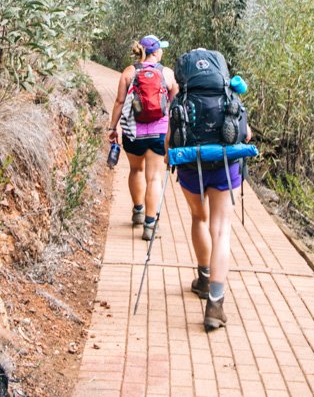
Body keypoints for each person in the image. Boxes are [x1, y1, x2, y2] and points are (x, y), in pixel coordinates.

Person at [171, 79, 253, 332]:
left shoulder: (182, 97)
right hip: (224, 170)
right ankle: (215, 305)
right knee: (221, 230)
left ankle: (204, 278)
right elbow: (245, 134)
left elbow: (169, 138)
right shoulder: (229, 95)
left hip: (189, 167)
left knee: (199, 218)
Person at [107, 35, 178, 240]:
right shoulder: (168, 73)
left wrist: (112, 128)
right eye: (160, 49)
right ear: (155, 52)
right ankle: (149, 225)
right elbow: (173, 105)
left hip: (133, 133)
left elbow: (120, 102)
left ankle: (138, 212)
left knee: (136, 169)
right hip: (159, 133)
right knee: (154, 178)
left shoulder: (129, 72)